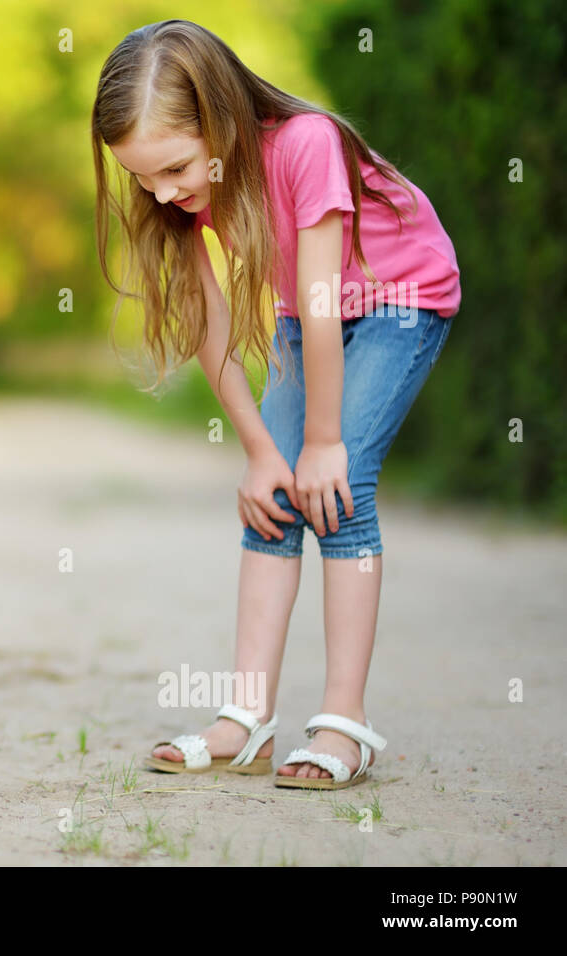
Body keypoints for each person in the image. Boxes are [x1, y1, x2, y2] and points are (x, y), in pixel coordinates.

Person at [91, 20, 459, 789]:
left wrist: (323, 441)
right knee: (275, 500)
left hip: (398, 299)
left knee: (339, 488)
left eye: (175, 169)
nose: (164, 192)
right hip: (309, 316)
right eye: (145, 178)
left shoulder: (308, 142)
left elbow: (323, 301)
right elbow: (210, 322)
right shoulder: (179, 188)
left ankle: (343, 723)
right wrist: (263, 450)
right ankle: (246, 717)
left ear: (219, 117)